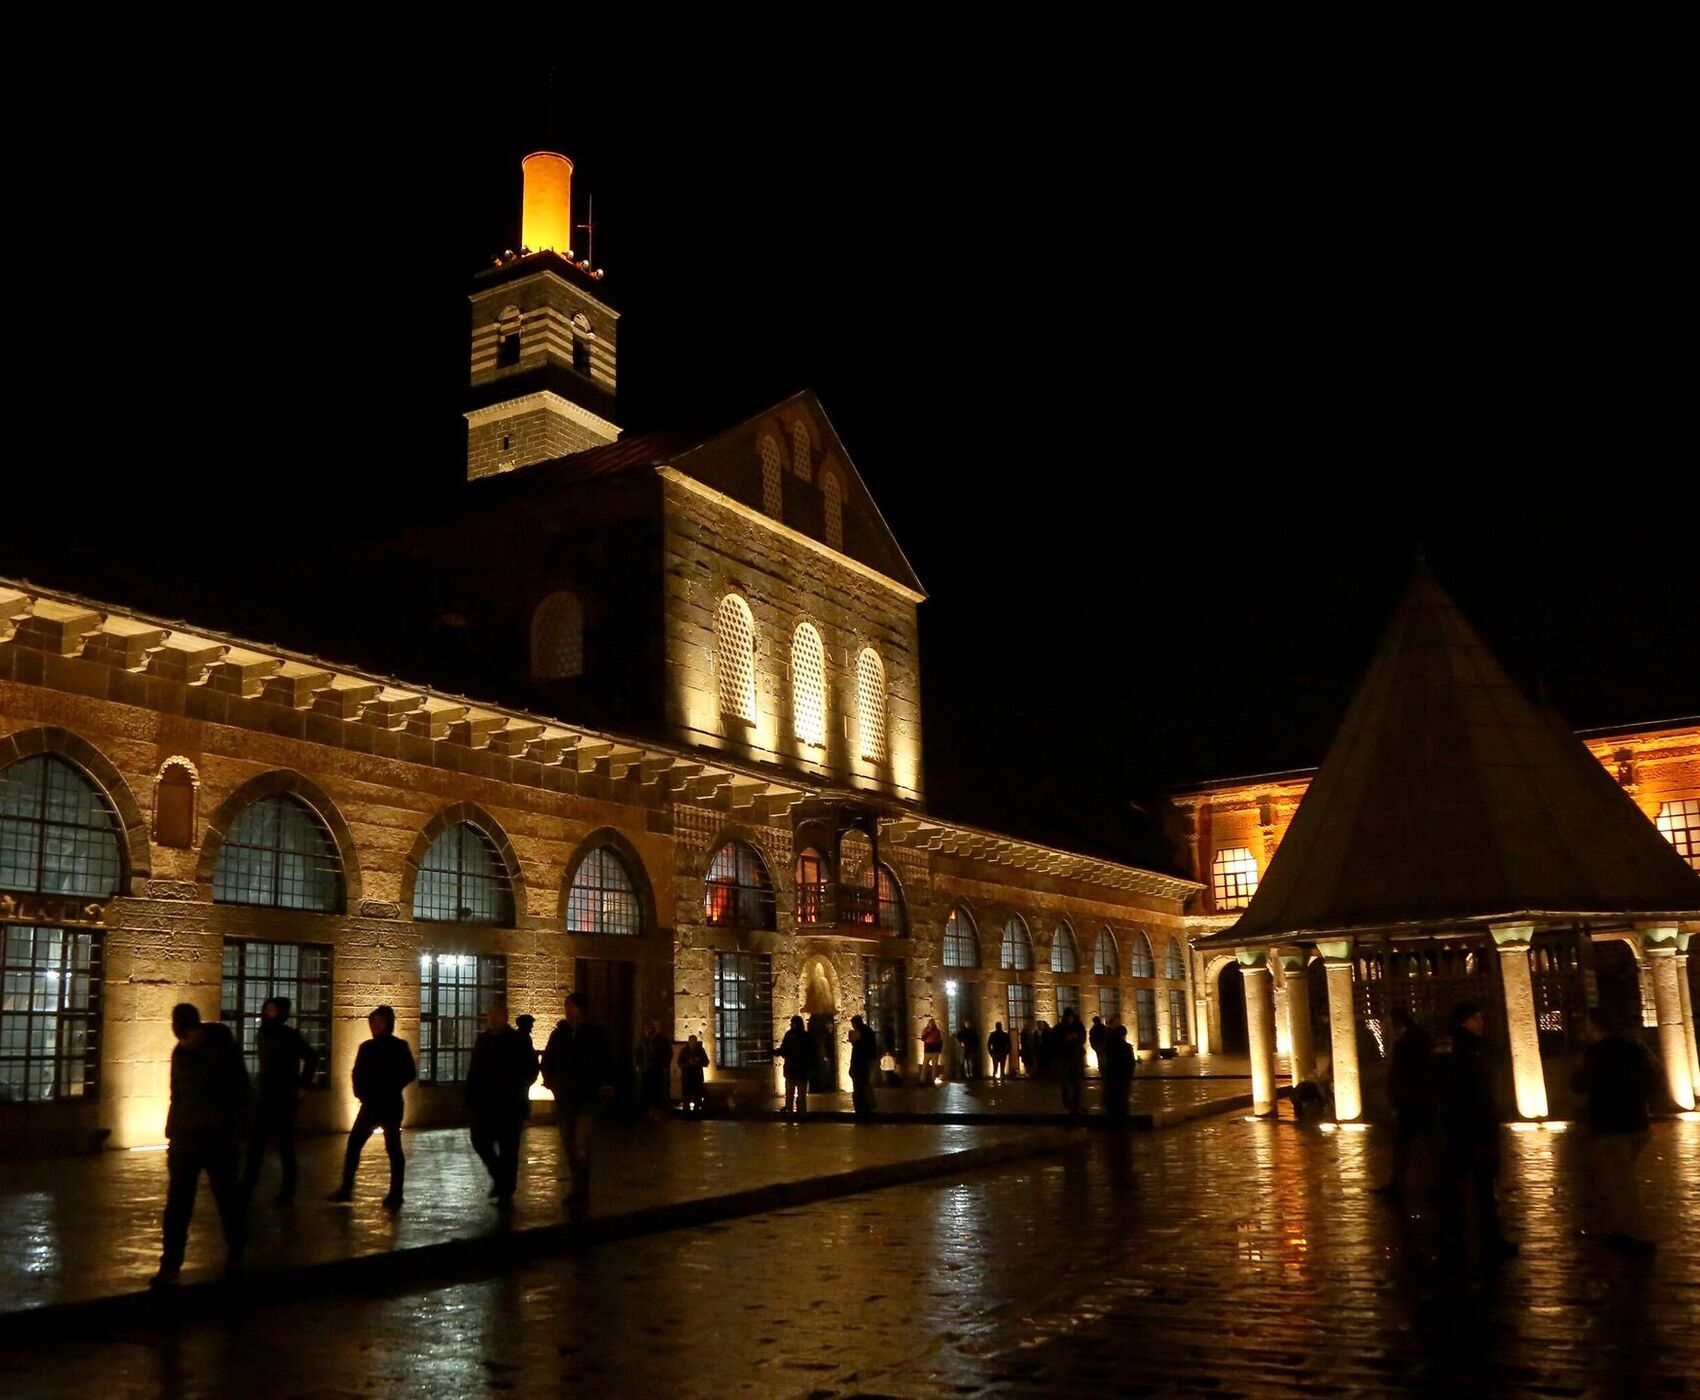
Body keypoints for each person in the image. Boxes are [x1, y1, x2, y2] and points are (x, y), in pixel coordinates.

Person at [151, 1003, 250, 1287]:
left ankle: (236, 1254)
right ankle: (170, 1266)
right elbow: (176, 1095)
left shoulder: (224, 1053)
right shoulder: (180, 1053)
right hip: (187, 1141)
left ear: (198, 1029)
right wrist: (172, 1133)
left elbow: (241, 1093)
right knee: (178, 1206)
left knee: (227, 1200)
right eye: (180, 1037)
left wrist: (236, 1132)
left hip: (218, 1140)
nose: (185, 1042)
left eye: (188, 1036)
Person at [1571, 1005, 1658, 1254]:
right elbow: (1653, 1079)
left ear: (1595, 1026)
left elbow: (1578, 1085)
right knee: (1619, 1179)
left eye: (1587, 1024)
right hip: (1637, 1123)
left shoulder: (1594, 1054)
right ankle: (1619, 1228)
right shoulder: (1633, 1048)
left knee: (1622, 1184)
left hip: (1611, 1126)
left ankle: (1638, 1235)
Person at [1436, 1001, 1517, 1259]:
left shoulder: (1458, 1049)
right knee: (1482, 1187)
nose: (1482, 1023)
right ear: (1464, 1022)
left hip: (1460, 1129)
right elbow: (1470, 1093)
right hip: (1473, 1128)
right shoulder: (1466, 1051)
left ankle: (1457, 1238)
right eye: (1477, 1019)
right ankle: (1486, 1239)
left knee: (1461, 1187)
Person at [327, 1004, 415, 1209]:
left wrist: (391, 1086)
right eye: (373, 1022)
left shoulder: (399, 1046)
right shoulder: (366, 1047)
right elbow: (357, 1073)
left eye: (380, 1022)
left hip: (390, 1104)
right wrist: (360, 1092)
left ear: (389, 1024)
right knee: (354, 1144)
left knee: (393, 1148)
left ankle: (396, 1193)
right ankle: (346, 1188)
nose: (375, 1026)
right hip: (371, 1105)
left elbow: (409, 1073)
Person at [540, 991, 614, 1221]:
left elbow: (606, 1061)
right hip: (565, 1098)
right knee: (569, 1145)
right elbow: (548, 1061)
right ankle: (577, 1187)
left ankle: (581, 1190)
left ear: (581, 1009)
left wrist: (606, 1083)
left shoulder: (595, 1035)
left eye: (571, 1006)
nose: (567, 1010)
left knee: (581, 1144)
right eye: (566, 1006)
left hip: (587, 1098)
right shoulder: (558, 1035)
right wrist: (551, 1082)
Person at [240, 995, 318, 1206]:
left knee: (285, 1145)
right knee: (256, 1145)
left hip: (284, 1096)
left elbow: (311, 1057)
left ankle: (287, 1191)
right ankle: (246, 1189)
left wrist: (303, 1085)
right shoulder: (263, 1033)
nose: (267, 1012)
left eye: (272, 1009)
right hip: (266, 1094)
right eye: (267, 1008)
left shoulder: (289, 1035)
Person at [466, 999, 538, 1206]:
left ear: (505, 1016)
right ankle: (501, 1177)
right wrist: (471, 1094)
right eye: (490, 1014)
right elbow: (475, 1069)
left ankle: (506, 1189)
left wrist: (517, 1088)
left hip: (509, 1104)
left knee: (509, 1148)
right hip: (485, 1103)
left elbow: (531, 1070)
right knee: (479, 1139)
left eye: (496, 1014)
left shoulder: (518, 1040)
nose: (492, 1018)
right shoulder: (483, 1040)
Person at [1372, 1008, 1435, 1203]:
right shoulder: (1420, 1039)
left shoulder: (1406, 1043)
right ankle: (1401, 1183)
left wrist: (1395, 1096)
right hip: (1419, 1098)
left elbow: (1402, 1073)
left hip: (1412, 1100)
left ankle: (1398, 1184)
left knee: (1407, 1144)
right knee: (1426, 1143)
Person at [778, 1014, 815, 1120]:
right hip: (802, 1071)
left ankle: (790, 1113)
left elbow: (784, 1051)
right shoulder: (806, 1036)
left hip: (792, 1070)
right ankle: (802, 1114)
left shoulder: (790, 1035)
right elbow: (811, 1054)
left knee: (790, 1094)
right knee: (801, 1095)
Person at [1101, 1023, 1134, 1122]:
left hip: (1111, 1076)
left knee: (1111, 1099)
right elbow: (1131, 1063)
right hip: (1122, 1076)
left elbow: (1105, 1061)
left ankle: (1112, 1121)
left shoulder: (1109, 1046)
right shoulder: (1127, 1047)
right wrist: (1129, 1076)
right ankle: (1122, 1121)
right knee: (1122, 1100)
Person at [1057, 1009, 1087, 1115]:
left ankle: (1076, 1104)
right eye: (1068, 1017)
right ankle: (1067, 1105)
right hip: (1065, 1058)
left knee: (1077, 1084)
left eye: (1071, 1017)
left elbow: (1083, 1038)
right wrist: (1066, 1039)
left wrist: (1076, 1037)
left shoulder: (1078, 1026)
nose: (1069, 1019)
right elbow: (1056, 1042)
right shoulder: (1060, 1028)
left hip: (1076, 1058)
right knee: (1065, 1084)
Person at [640, 1019, 673, 1116]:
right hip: (647, 1069)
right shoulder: (645, 1041)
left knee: (658, 1089)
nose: (649, 1030)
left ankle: (657, 1109)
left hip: (658, 1069)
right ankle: (649, 1108)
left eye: (651, 1028)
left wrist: (665, 1065)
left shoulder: (662, 1040)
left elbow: (668, 1053)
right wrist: (640, 1065)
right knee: (647, 1089)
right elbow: (639, 1053)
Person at [848, 1014, 879, 1116]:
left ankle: (862, 1108)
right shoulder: (868, 1031)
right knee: (865, 1084)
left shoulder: (860, 1033)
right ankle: (867, 1106)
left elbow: (858, 1049)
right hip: (866, 1062)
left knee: (860, 1087)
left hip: (861, 1064)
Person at [678, 1034, 710, 1117]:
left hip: (697, 1077)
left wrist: (698, 1061)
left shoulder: (700, 1050)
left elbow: (706, 1062)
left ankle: (696, 1114)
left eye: (694, 1042)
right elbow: (679, 1063)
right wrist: (688, 1063)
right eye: (691, 1042)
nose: (693, 1044)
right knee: (686, 1097)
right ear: (689, 1042)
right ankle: (686, 1114)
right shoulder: (684, 1051)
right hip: (687, 1077)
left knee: (697, 1097)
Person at [920, 1017, 944, 1085]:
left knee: (934, 1067)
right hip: (927, 1051)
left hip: (935, 1050)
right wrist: (928, 1032)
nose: (931, 1024)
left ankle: (933, 1080)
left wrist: (940, 1049)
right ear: (928, 1024)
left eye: (932, 1023)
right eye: (930, 1023)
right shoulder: (925, 1030)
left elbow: (940, 1040)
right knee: (924, 1066)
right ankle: (922, 1080)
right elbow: (923, 1038)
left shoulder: (937, 1031)